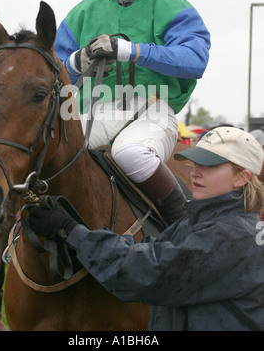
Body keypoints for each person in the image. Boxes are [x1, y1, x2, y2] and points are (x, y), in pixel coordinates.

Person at [55, 0, 211, 223]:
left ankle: (183, 228)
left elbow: (195, 60)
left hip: (153, 110)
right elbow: (53, 74)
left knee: (131, 154)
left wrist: (133, 51)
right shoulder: (81, 13)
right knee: (54, 155)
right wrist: (76, 61)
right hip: (93, 111)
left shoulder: (171, 6)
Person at [29, 126, 264, 331]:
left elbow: (150, 269)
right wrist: (80, 244)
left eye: (210, 166)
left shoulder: (234, 236)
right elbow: (147, 249)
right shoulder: (198, 220)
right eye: (196, 163)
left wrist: (72, 232)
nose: (195, 172)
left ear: (241, 177)